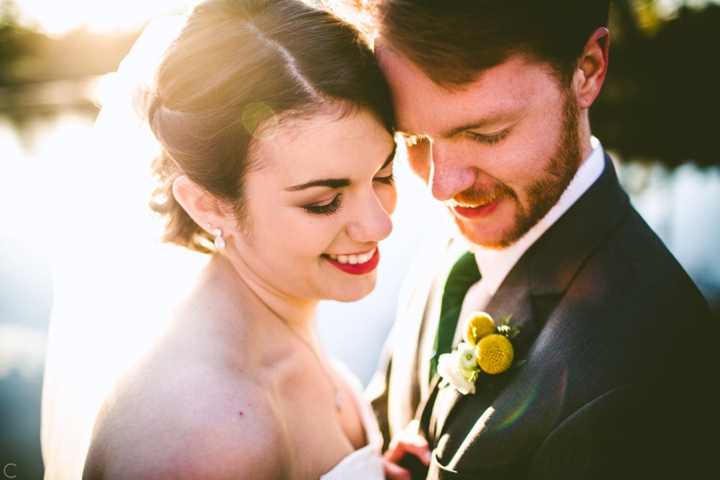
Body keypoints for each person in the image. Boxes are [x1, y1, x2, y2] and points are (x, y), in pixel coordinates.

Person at [366, 1, 720, 479]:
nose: (440, 187)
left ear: (587, 72)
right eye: (413, 140)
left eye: (486, 133)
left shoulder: (654, 377)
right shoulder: (450, 245)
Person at [78, 0, 400, 478]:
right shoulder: (208, 435)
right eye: (322, 202)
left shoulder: (274, 305)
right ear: (209, 205)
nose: (379, 226)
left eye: (384, 174)